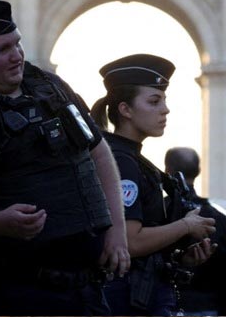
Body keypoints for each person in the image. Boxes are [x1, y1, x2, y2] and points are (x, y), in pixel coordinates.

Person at [0, 0, 130, 316]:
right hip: (9, 293)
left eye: (17, 43)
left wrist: (117, 231)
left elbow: (98, 152)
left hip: (85, 291)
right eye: (2, 50)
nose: (17, 56)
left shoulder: (50, 86)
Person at [90, 54, 217, 316]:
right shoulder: (122, 162)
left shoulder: (131, 159)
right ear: (125, 110)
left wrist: (180, 256)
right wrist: (186, 226)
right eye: (154, 101)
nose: (165, 109)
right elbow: (129, 242)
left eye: (164, 100)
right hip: (130, 300)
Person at [164, 147, 226, 316]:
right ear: (198, 171)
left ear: (167, 170)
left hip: (163, 306)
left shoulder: (157, 213)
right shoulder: (222, 221)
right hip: (208, 307)